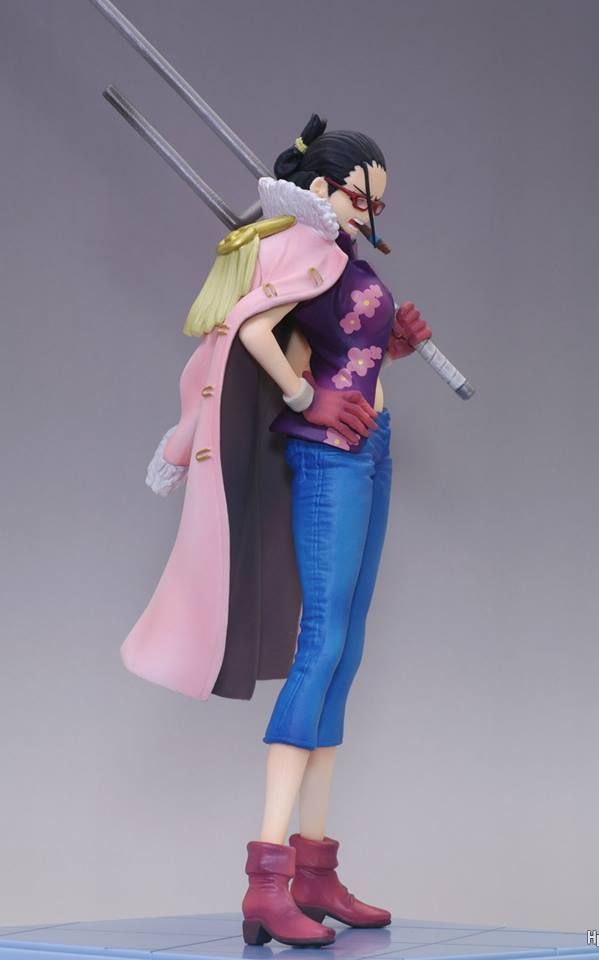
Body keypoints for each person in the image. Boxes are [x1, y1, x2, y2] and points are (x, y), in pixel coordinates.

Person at [121, 114, 431, 948]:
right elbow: (252, 329)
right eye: (364, 196)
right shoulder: (301, 245)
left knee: (347, 650)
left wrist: (390, 347)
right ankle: (267, 878)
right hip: (332, 456)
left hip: (373, 446)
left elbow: (334, 344)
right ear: (325, 188)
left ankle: (316, 870)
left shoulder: (342, 254)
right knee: (320, 645)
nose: (373, 211)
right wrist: (306, 401)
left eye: (379, 201)